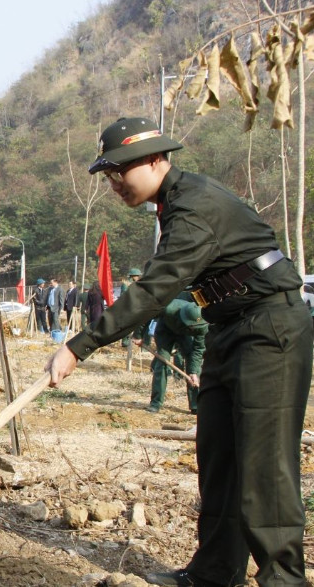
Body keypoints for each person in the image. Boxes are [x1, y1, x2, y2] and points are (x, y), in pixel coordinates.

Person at [45, 117, 311, 587]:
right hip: (229, 328)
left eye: (120, 172)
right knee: (219, 460)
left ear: (154, 159)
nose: (114, 185)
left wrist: (79, 346)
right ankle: (212, 575)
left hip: (270, 329)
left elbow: (154, 289)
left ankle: (284, 580)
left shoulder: (194, 206)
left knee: (264, 468)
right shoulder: (172, 204)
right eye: (108, 176)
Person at [134, 296, 206, 414]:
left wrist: (193, 372)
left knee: (193, 366)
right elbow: (146, 315)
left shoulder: (202, 325)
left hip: (184, 335)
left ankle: (195, 404)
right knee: (162, 363)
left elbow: (198, 350)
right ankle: (155, 403)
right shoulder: (168, 308)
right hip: (165, 330)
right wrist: (138, 335)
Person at [121, 267, 143, 347]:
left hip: (134, 305)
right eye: (137, 276)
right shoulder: (126, 283)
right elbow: (124, 295)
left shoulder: (135, 283)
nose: (138, 277)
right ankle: (124, 341)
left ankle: (129, 339)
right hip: (127, 306)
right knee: (126, 324)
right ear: (133, 276)